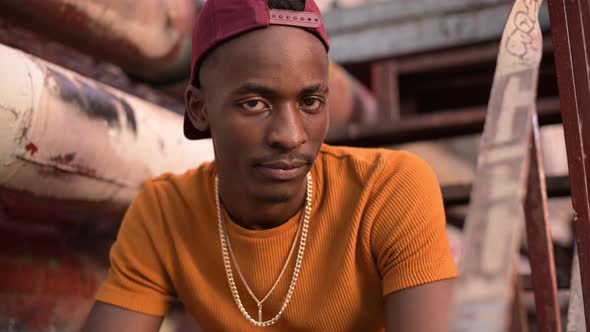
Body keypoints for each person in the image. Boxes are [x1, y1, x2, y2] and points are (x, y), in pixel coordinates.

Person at [82, 0, 457, 331]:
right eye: (255, 103)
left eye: (310, 102)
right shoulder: (165, 212)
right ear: (199, 109)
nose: (290, 135)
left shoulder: (387, 189)